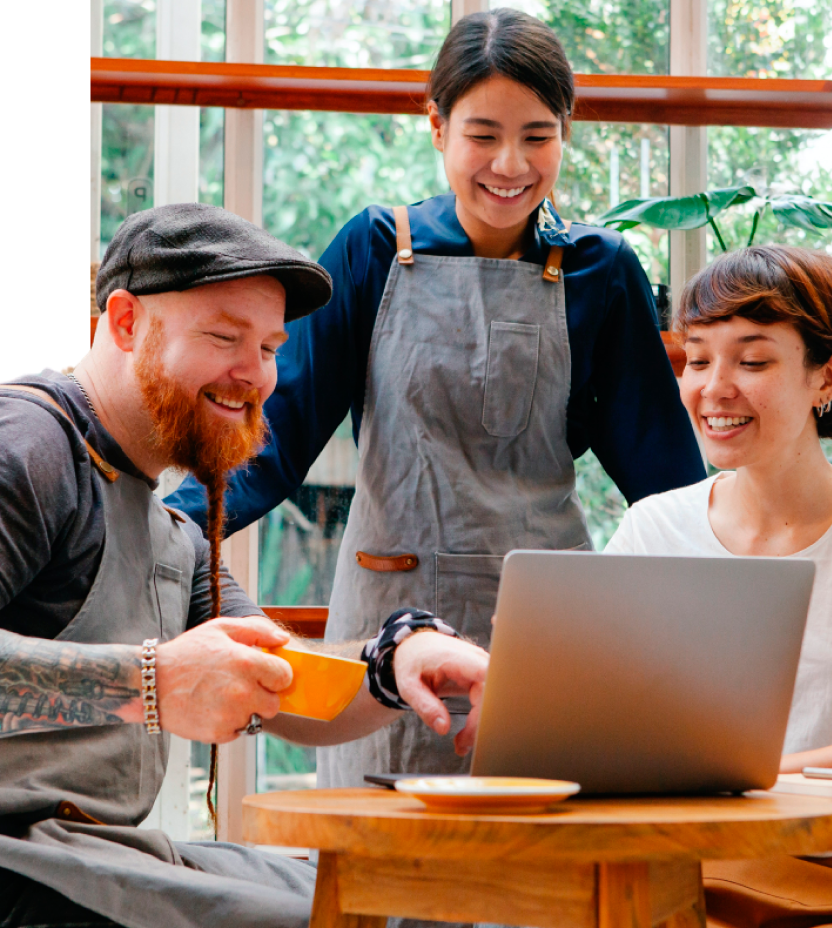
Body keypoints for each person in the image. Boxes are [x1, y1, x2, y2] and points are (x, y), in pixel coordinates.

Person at [168, 8, 705, 795]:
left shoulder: (603, 270)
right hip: (389, 627)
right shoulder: (374, 248)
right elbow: (275, 441)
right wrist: (166, 528)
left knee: (538, 892)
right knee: (383, 891)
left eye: (537, 135)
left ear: (566, 131)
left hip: (548, 628)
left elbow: (665, 484)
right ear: (437, 128)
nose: (510, 163)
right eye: (483, 134)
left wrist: (732, 611)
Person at [0, 203, 489, 928]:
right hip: (21, 870)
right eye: (225, 337)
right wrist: (154, 682)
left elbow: (285, 687)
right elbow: (165, 682)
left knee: (397, 902)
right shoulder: (27, 444)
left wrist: (397, 658)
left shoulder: (173, 530)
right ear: (126, 322)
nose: (254, 374)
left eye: (269, 347)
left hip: (97, 855)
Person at [605, 244, 832, 928]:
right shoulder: (652, 528)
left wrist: (768, 776)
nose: (715, 387)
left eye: (752, 361)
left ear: (825, 378)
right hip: (675, 871)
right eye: (697, 359)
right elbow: (599, 724)